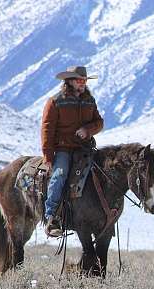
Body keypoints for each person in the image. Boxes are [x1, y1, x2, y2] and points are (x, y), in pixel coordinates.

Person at [41, 66, 104, 237]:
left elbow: (99, 122)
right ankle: (51, 217)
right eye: (79, 80)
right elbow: (47, 130)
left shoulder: (89, 100)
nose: (83, 83)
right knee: (60, 174)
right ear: (69, 81)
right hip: (64, 149)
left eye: (84, 80)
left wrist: (87, 130)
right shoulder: (55, 101)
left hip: (85, 149)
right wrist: (48, 157)